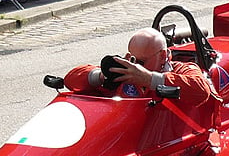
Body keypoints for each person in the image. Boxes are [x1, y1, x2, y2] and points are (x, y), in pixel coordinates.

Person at [64, 27, 213, 107]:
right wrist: (104, 76)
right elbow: (70, 80)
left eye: (140, 61)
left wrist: (149, 79)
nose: (135, 66)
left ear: (162, 56)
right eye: (132, 58)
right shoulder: (127, 71)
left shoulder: (182, 70)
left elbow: (201, 91)